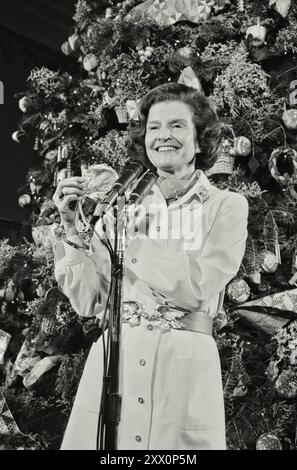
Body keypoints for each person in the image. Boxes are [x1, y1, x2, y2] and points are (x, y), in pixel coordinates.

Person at [52, 83, 248, 450]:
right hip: (116, 361)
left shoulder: (227, 205)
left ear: (201, 140)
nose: (163, 136)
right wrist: (70, 228)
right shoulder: (122, 205)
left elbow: (197, 284)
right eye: (154, 127)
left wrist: (131, 237)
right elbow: (91, 300)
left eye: (177, 126)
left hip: (184, 366)